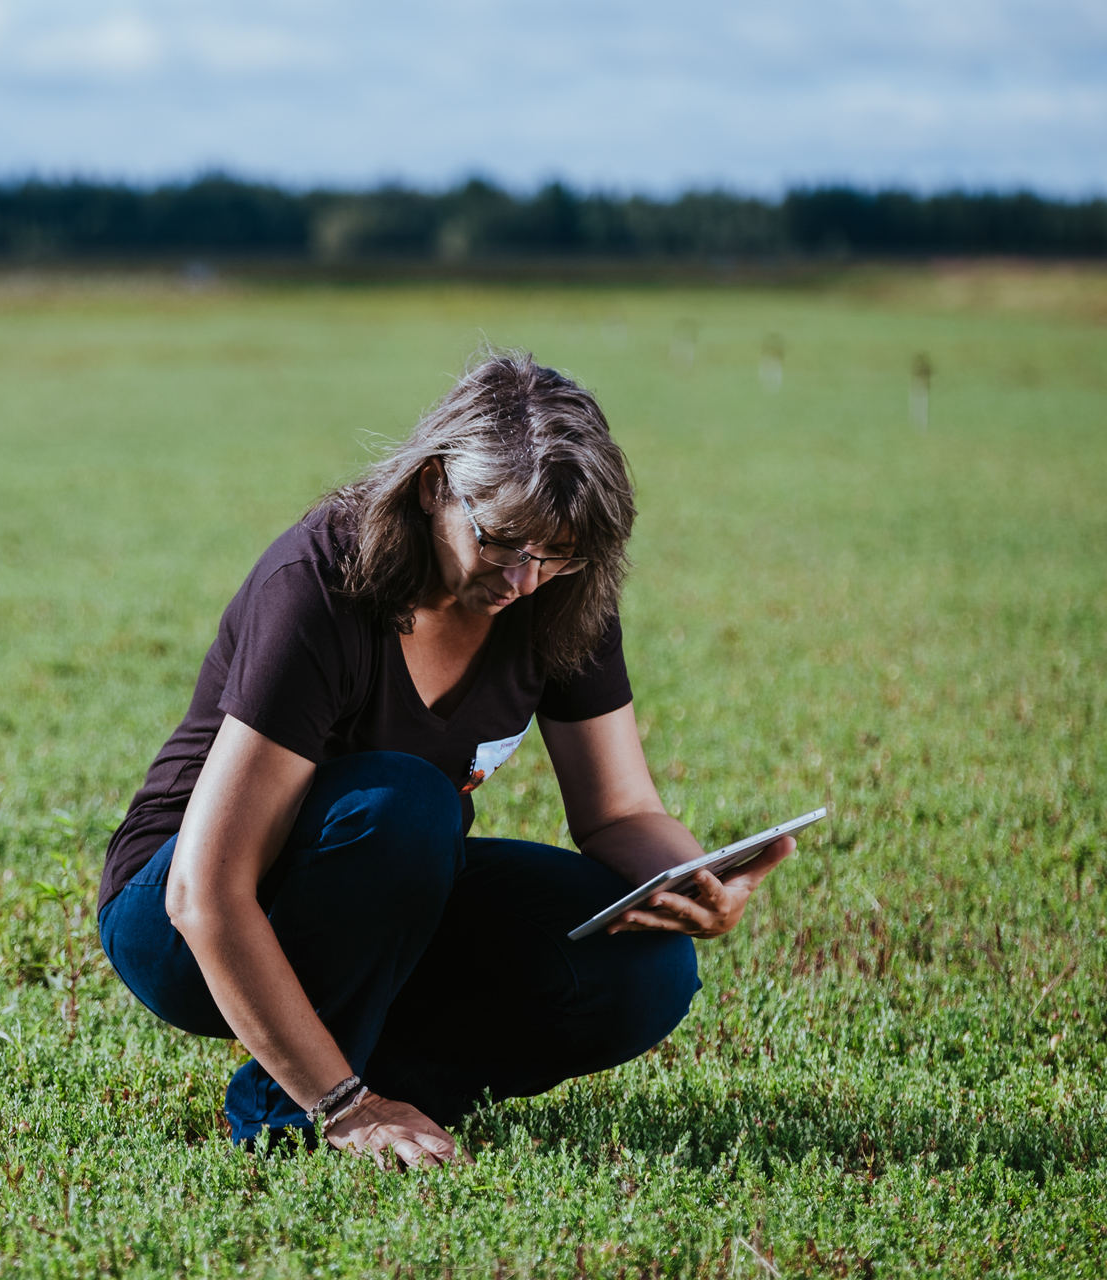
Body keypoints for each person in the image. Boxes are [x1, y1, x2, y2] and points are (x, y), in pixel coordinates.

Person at [96, 351, 796, 1168]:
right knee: (407, 803)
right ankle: (303, 1108)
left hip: (390, 901)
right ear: (433, 484)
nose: (525, 580)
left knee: (644, 971)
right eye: (499, 541)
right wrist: (344, 1107)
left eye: (557, 554)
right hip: (185, 915)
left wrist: (695, 879)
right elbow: (204, 892)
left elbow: (618, 813)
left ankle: (397, 1088)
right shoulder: (319, 584)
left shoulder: (562, 594)